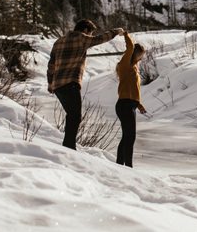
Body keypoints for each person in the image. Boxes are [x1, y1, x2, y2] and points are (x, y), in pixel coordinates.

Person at [47, 19, 122, 149]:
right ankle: (69, 147)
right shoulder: (82, 38)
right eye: (90, 33)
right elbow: (101, 38)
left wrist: (50, 83)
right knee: (75, 116)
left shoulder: (59, 41)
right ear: (86, 30)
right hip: (70, 83)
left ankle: (68, 145)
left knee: (72, 115)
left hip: (58, 86)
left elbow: (51, 65)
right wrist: (117, 31)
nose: (91, 36)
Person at [115, 30, 147, 167]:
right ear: (135, 53)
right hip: (124, 105)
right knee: (130, 136)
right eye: (140, 55)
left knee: (127, 136)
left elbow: (133, 89)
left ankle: (120, 165)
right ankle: (127, 167)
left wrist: (138, 104)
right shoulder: (125, 64)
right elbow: (129, 47)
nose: (141, 58)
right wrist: (126, 34)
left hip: (130, 105)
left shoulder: (133, 68)